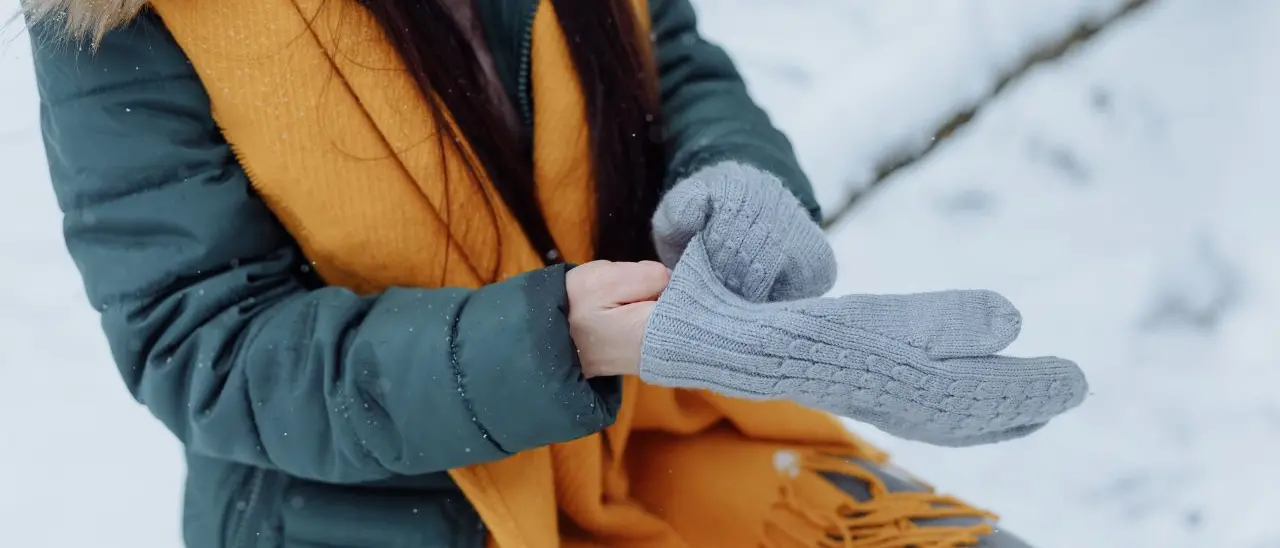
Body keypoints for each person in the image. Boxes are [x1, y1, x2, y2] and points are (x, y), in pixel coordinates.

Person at [24, 0, 1085, 545]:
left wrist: (732, 175)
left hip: (661, 424)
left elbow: (665, 54)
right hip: (382, 518)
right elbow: (205, 347)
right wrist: (552, 339)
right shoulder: (119, 22)